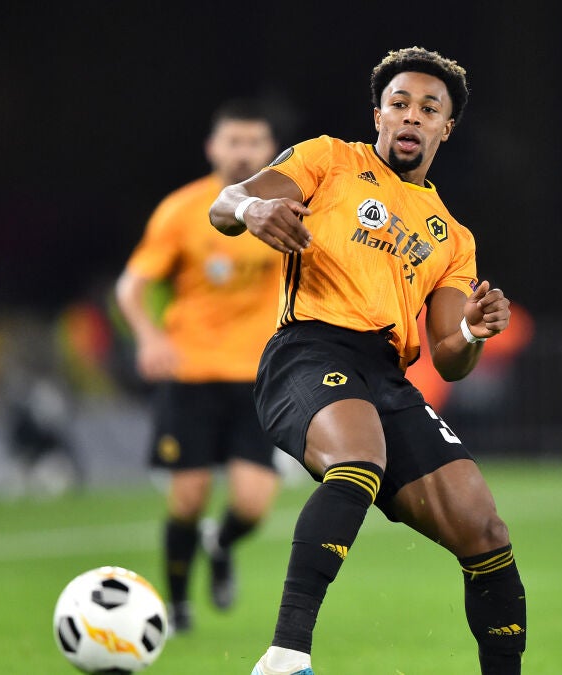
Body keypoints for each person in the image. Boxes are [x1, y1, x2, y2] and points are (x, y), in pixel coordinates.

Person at [209, 47, 526, 675]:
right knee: (358, 459)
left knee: (485, 531)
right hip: (308, 350)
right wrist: (253, 209)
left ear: (445, 128)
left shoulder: (451, 236)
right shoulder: (328, 159)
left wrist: (473, 329)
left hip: (385, 375)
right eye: (399, 103)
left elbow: (450, 359)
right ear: (378, 115)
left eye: (428, 108)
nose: (411, 116)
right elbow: (227, 203)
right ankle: (285, 656)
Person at [115, 99, 283, 634]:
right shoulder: (182, 210)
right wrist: (149, 338)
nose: (243, 152)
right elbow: (131, 287)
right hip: (190, 375)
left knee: (252, 505)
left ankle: (221, 542)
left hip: (258, 376)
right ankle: (179, 608)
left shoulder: (286, 207)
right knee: (187, 497)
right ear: (213, 147)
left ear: (271, 148)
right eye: (233, 141)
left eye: (254, 142)